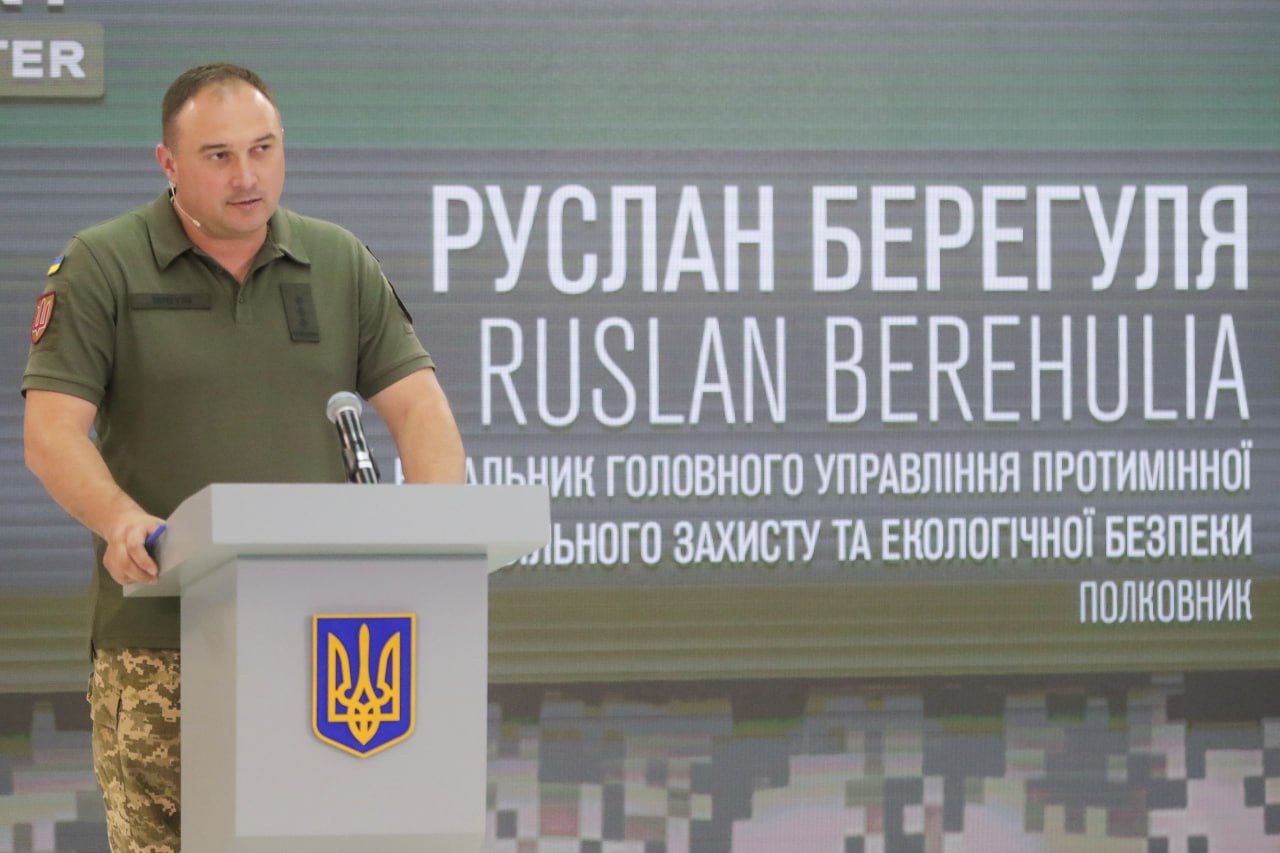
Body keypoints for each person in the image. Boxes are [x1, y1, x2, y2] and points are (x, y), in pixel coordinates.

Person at [21, 62, 466, 852]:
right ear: (167, 162)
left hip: (327, 647)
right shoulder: (103, 265)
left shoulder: (338, 262)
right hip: (164, 645)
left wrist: (427, 548)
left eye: (263, 149)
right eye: (219, 156)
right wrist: (120, 518)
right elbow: (51, 432)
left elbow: (420, 409)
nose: (247, 177)